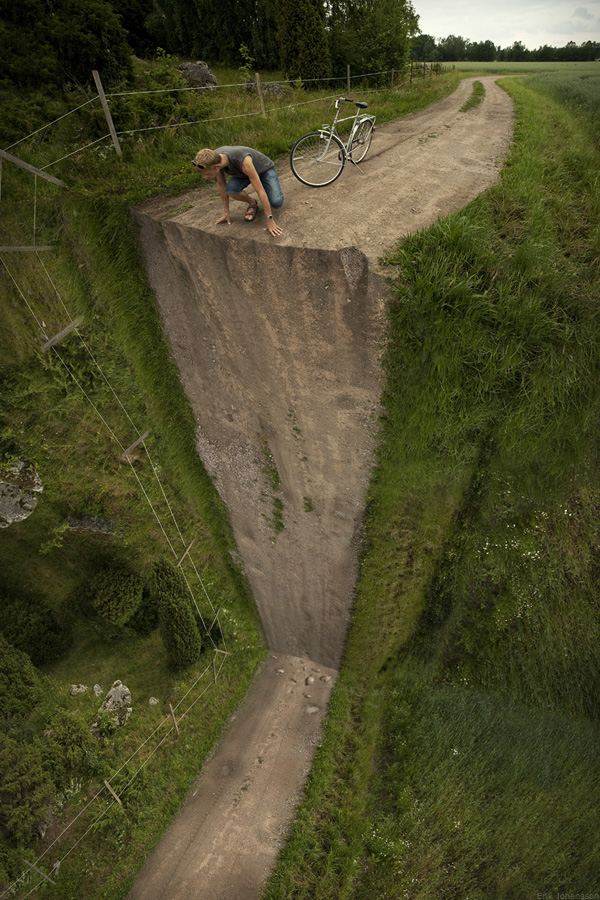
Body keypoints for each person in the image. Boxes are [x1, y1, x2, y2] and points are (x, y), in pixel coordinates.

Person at [193, 146, 283, 237]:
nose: (204, 177)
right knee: (231, 190)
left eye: (207, 173)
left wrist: (270, 220)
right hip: (243, 174)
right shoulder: (214, 159)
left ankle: (269, 186)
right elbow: (222, 185)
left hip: (264, 170)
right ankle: (252, 203)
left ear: (217, 167)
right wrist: (226, 212)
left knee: (276, 202)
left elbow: (260, 191)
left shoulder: (243, 161)